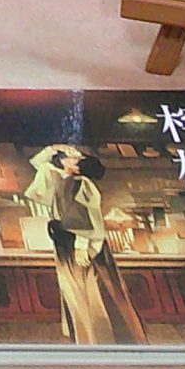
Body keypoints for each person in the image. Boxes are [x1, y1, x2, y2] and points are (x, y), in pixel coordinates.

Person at [22, 146, 145, 347]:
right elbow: (39, 163)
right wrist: (53, 148)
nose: (66, 158)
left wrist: (82, 246)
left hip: (82, 244)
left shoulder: (82, 184)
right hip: (65, 242)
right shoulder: (60, 178)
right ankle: (85, 338)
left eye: (74, 158)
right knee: (75, 293)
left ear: (79, 167)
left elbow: (86, 218)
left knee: (93, 295)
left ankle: (102, 340)